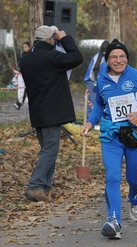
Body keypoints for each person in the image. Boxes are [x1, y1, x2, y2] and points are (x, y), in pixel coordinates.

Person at [80, 39, 137, 240]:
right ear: (107, 60)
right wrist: (90, 123)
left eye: (122, 56)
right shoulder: (101, 81)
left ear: (127, 58)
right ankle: (114, 221)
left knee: (133, 178)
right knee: (113, 177)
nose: (118, 60)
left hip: (134, 134)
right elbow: (98, 105)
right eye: (114, 57)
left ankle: (135, 197)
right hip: (110, 135)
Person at [19, 25, 83, 202]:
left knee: (48, 150)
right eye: (53, 38)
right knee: (50, 150)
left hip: (37, 112)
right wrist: (64, 38)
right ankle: (34, 186)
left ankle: (44, 188)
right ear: (50, 39)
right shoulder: (52, 57)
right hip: (52, 112)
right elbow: (77, 57)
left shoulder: (25, 59)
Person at [83, 40, 110, 120]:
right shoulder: (98, 57)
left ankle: (98, 119)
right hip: (92, 81)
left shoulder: (105, 57)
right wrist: (95, 81)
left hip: (100, 81)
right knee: (92, 101)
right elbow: (95, 70)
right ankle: (90, 120)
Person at [13, 42, 31, 110]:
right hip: (23, 74)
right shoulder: (23, 55)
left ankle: (20, 103)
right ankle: (19, 103)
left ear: (29, 47)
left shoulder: (31, 55)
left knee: (27, 90)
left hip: (30, 75)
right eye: (23, 47)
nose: (24, 48)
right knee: (23, 89)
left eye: (26, 47)